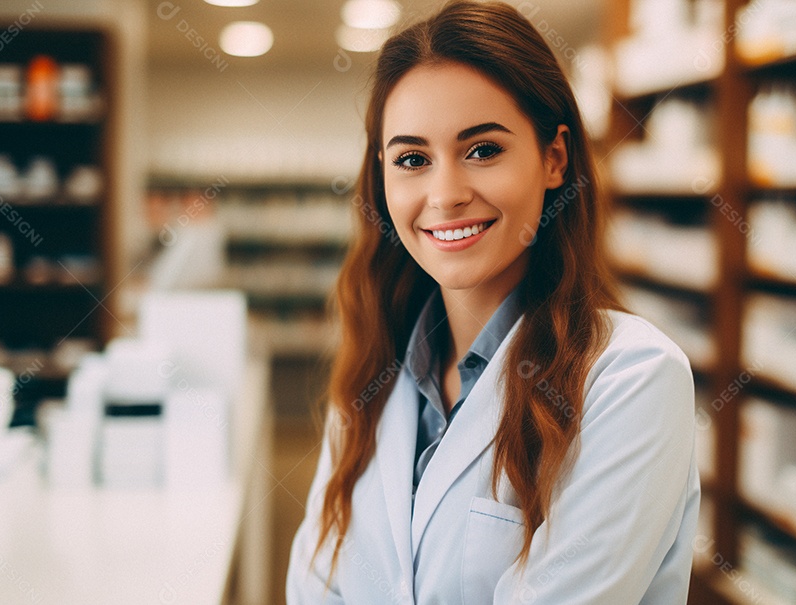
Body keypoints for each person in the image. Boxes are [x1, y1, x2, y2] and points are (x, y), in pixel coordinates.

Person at [286, 2, 699, 603]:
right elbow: (312, 587)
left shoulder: (630, 379)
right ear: (382, 177)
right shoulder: (371, 375)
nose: (446, 194)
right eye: (412, 159)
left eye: (482, 150)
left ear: (554, 159)